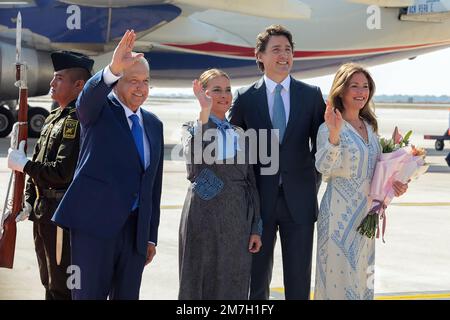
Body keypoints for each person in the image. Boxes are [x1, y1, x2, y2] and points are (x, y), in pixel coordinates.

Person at [51, 30, 164, 300]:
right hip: (94, 229)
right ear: (116, 84)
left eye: (145, 81)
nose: (141, 88)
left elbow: (153, 185)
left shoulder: (153, 124)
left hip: (135, 234)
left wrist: (150, 236)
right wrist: (113, 68)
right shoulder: (98, 112)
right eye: (133, 80)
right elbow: (86, 99)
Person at [229, 24, 326, 300]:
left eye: (288, 50)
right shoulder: (246, 98)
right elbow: (231, 149)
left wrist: (309, 183)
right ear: (259, 56)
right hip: (259, 204)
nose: (283, 55)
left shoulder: (311, 95)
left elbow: (322, 149)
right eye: (276, 50)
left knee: (298, 282)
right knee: (256, 283)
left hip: (301, 202)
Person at [314, 62, 408, 300]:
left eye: (365, 86)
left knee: (361, 280)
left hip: (366, 215)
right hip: (338, 215)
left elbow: (377, 172)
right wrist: (334, 135)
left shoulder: (370, 127)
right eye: (354, 86)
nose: (360, 92)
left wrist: (396, 184)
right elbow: (323, 168)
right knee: (337, 280)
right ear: (341, 90)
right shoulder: (329, 126)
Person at [7, 51, 93, 300]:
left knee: (61, 287)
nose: (52, 83)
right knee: (48, 281)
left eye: (59, 78)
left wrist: (24, 166)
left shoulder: (76, 121)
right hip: (43, 211)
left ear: (79, 85)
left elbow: (60, 172)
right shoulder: (54, 116)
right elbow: (39, 162)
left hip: (61, 214)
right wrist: (27, 200)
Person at [178, 69, 262, 300]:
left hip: (238, 220)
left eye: (227, 90)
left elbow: (251, 182)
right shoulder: (191, 128)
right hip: (203, 218)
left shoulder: (240, 134)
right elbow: (195, 167)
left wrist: (256, 226)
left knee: (234, 287)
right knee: (199, 285)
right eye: (216, 90)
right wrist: (204, 113)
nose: (224, 95)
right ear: (203, 94)